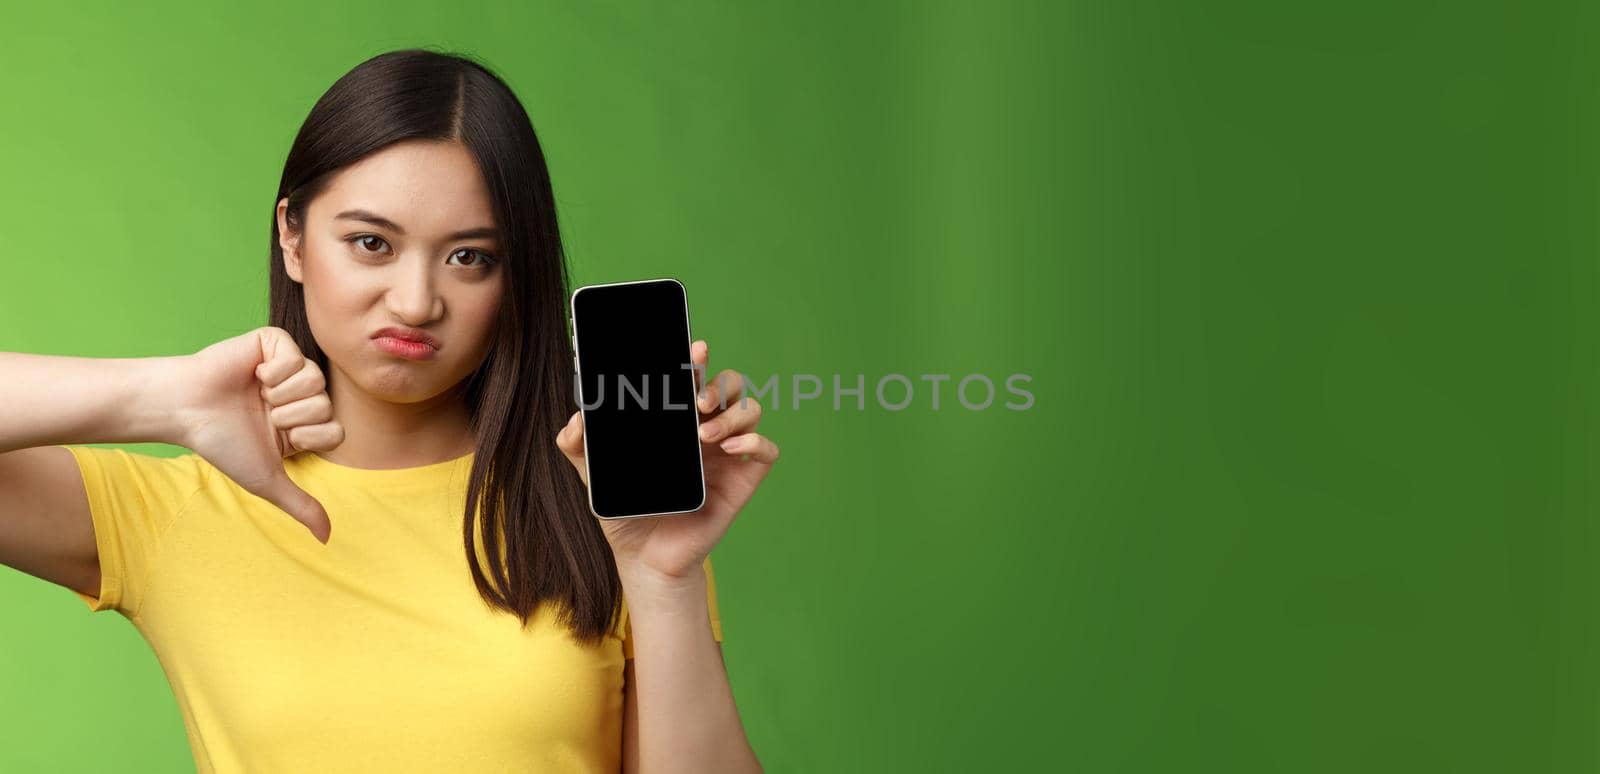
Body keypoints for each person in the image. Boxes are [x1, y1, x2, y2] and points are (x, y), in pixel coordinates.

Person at [0, 47, 777, 773]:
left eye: (470, 257)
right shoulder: (171, 515)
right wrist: (163, 396)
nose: (415, 301)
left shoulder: (607, 517)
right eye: (372, 243)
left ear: (516, 280)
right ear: (293, 240)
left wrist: (662, 579)